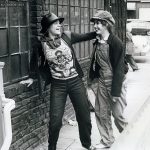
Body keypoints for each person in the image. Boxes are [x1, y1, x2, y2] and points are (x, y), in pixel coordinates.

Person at [20, 12, 96, 150]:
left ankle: (87, 144)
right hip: (58, 85)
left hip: (75, 82)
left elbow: (87, 36)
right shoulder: (41, 43)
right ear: (47, 27)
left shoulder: (67, 36)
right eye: (55, 23)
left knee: (84, 116)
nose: (58, 25)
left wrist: (100, 30)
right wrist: (32, 76)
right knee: (55, 121)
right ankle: (52, 147)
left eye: (59, 23)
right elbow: (33, 60)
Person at [88, 10, 128, 149]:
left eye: (98, 23)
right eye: (95, 23)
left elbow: (119, 69)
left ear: (106, 24)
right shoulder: (98, 42)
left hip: (115, 83)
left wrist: (116, 92)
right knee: (101, 112)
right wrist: (92, 79)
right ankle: (107, 140)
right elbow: (95, 63)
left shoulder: (116, 43)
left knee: (118, 115)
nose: (95, 26)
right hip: (102, 82)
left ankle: (130, 137)